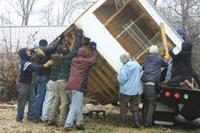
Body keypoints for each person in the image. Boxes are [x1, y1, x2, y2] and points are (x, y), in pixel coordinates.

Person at [48, 30, 83, 127]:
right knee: (65, 102)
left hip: (57, 82)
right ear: (66, 52)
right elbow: (75, 50)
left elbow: (71, 50)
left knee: (56, 100)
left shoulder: (57, 58)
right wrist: (79, 36)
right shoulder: (68, 58)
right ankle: (62, 122)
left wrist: (62, 40)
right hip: (64, 82)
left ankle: (50, 119)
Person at [64, 42, 97, 131]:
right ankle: (68, 124)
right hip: (78, 87)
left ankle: (79, 123)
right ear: (85, 54)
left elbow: (77, 52)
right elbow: (93, 60)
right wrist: (94, 50)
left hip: (69, 86)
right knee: (74, 106)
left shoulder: (74, 60)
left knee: (78, 106)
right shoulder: (85, 61)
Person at [16, 48, 52, 122]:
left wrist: (35, 50)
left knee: (33, 100)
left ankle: (31, 116)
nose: (29, 52)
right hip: (23, 85)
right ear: (24, 53)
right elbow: (34, 67)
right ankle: (19, 118)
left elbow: (31, 57)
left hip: (28, 84)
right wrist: (45, 65)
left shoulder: (26, 61)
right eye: (27, 51)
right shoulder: (25, 63)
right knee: (22, 101)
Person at [141, 45, 168, 127]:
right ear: (156, 52)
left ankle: (144, 120)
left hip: (145, 84)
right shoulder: (158, 58)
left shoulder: (146, 58)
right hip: (152, 84)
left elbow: (143, 68)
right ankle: (148, 123)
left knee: (146, 103)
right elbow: (166, 64)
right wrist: (165, 59)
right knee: (152, 103)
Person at [117, 53, 142, 128]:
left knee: (123, 107)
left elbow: (122, 80)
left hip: (125, 91)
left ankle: (122, 124)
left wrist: (118, 76)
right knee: (135, 107)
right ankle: (136, 123)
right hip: (135, 91)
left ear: (123, 60)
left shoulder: (124, 68)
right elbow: (141, 69)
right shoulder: (136, 65)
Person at [41, 45, 63, 122]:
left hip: (50, 81)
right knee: (51, 100)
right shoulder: (62, 59)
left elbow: (46, 65)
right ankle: (46, 117)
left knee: (47, 99)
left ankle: (44, 116)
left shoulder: (52, 59)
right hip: (55, 82)